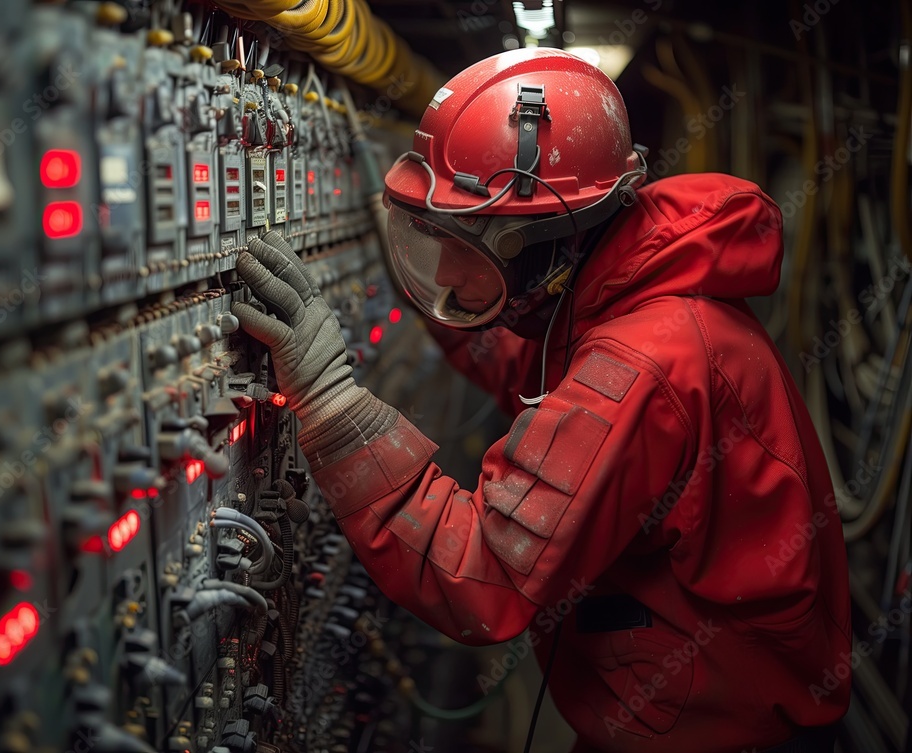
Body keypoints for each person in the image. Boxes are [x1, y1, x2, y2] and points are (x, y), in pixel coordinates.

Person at [232, 48, 852, 753]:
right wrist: (447, 297)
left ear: (532, 244)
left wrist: (332, 400)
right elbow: (533, 367)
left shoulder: (641, 361)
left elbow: (482, 578)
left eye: (452, 241)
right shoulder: (628, 297)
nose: (438, 265)